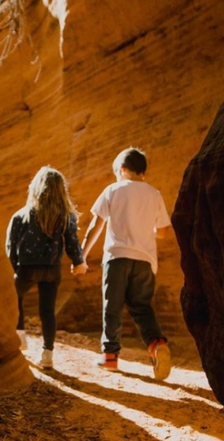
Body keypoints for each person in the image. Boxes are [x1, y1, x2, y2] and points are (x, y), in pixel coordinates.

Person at [80, 147, 172, 380]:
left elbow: (96, 225)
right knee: (142, 307)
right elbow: (162, 233)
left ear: (121, 170)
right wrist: (143, 228)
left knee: (112, 306)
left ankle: (110, 356)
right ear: (143, 172)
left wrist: (81, 256)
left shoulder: (112, 190)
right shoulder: (154, 194)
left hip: (117, 257)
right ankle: (156, 344)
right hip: (145, 261)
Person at [6, 166, 88, 369]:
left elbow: (11, 247)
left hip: (26, 268)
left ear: (35, 189)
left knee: (14, 297)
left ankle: (20, 334)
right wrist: (78, 262)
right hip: (52, 269)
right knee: (48, 311)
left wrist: (12, 269)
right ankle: (48, 354)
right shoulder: (65, 216)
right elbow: (72, 243)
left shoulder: (21, 216)